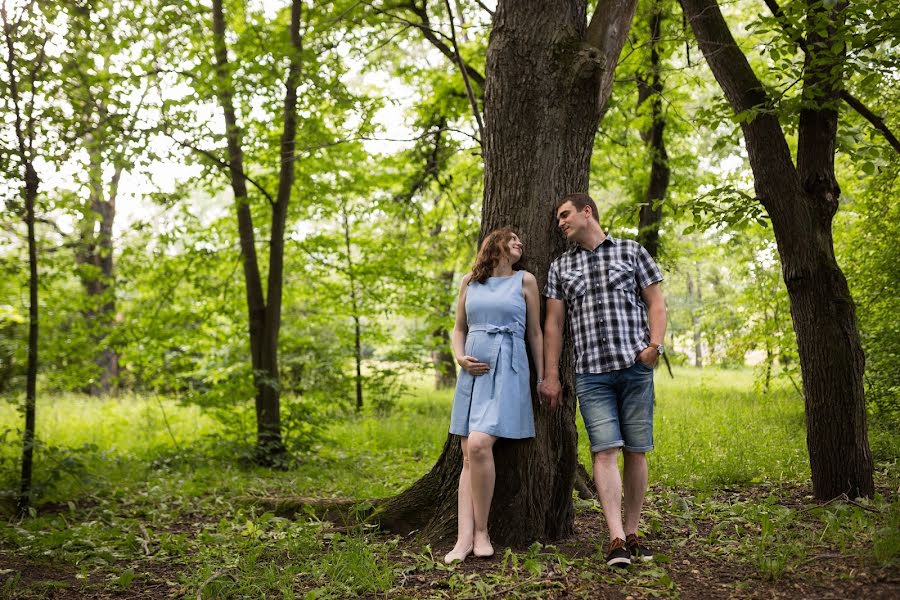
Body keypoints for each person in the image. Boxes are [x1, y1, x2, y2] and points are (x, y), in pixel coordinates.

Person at [539, 193, 667, 568]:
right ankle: (614, 539)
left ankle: (633, 531)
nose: (560, 222)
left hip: (635, 367)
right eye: (558, 218)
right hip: (591, 374)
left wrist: (654, 347)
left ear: (587, 212)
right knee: (604, 450)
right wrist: (551, 375)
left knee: (636, 450)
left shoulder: (631, 251)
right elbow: (554, 325)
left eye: (564, 215)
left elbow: (656, 302)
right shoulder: (561, 266)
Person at [444, 227, 544, 563]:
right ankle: (463, 539)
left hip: (508, 370)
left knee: (478, 443)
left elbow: (535, 333)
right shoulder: (469, 281)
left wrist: (543, 377)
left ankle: (482, 530)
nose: (520, 241)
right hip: (472, 373)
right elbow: (459, 329)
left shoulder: (525, 280)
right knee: (467, 456)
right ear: (495, 244)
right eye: (512, 237)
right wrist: (460, 357)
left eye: (521, 238)